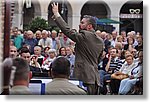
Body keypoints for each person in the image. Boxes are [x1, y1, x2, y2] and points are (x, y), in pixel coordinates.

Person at [51, 3, 104, 95]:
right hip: (95, 78)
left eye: (82, 23)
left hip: (84, 77)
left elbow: (67, 31)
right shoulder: (100, 40)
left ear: (89, 26)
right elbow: (99, 59)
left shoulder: (85, 35)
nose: (79, 25)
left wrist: (57, 14)